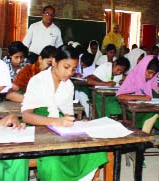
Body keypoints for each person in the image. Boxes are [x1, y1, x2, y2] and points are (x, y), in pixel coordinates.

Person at [21, 45, 107, 180]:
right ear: (54, 62)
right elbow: (26, 116)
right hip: (39, 129)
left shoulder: (68, 85)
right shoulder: (37, 80)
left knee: (97, 152)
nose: (69, 73)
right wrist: (55, 121)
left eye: (73, 69)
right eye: (66, 67)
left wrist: (78, 122)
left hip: (60, 129)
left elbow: (68, 115)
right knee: (53, 163)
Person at [117, 55, 159, 129]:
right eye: (149, 72)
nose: (151, 76)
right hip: (135, 110)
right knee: (153, 113)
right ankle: (145, 133)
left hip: (148, 107)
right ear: (143, 68)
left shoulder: (152, 81)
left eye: (154, 74)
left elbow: (155, 97)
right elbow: (119, 96)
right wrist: (141, 97)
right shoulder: (133, 77)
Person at [74, 52, 95, 117]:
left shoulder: (91, 64)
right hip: (74, 84)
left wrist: (87, 76)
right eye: (83, 65)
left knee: (82, 94)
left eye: (86, 66)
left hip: (86, 86)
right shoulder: (75, 60)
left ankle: (86, 115)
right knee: (78, 93)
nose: (83, 67)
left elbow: (91, 75)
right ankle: (86, 115)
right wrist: (75, 74)